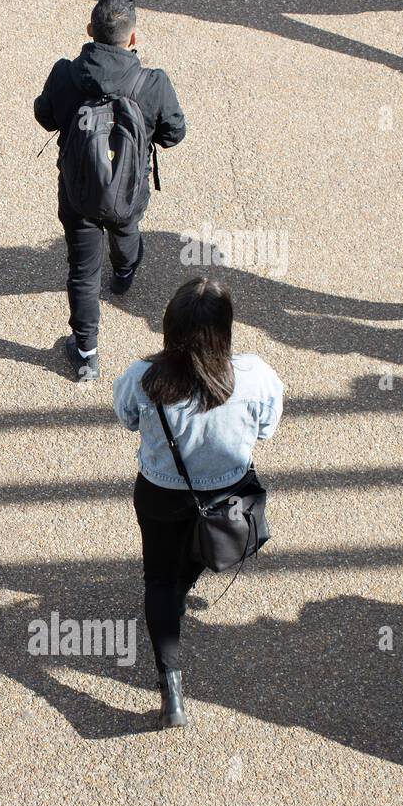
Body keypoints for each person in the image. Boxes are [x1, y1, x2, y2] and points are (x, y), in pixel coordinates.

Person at [113, 277, 284, 729]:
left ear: (170, 327)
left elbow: (127, 418)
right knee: (197, 554)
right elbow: (265, 429)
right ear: (225, 329)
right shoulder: (256, 375)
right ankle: (183, 588)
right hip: (227, 491)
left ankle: (170, 685)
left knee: (158, 579)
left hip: (162, 490)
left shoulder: (142, 378)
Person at [34, 0, 186, 380]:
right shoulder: (152, 83)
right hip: (128, 187)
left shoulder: (66, 74)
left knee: (82, 271)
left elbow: (45, 117)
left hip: (78, 191)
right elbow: (174, 134)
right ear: (132, 39)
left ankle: (86, 354)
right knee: (127, 227)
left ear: (89, 31)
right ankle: (123, 273)